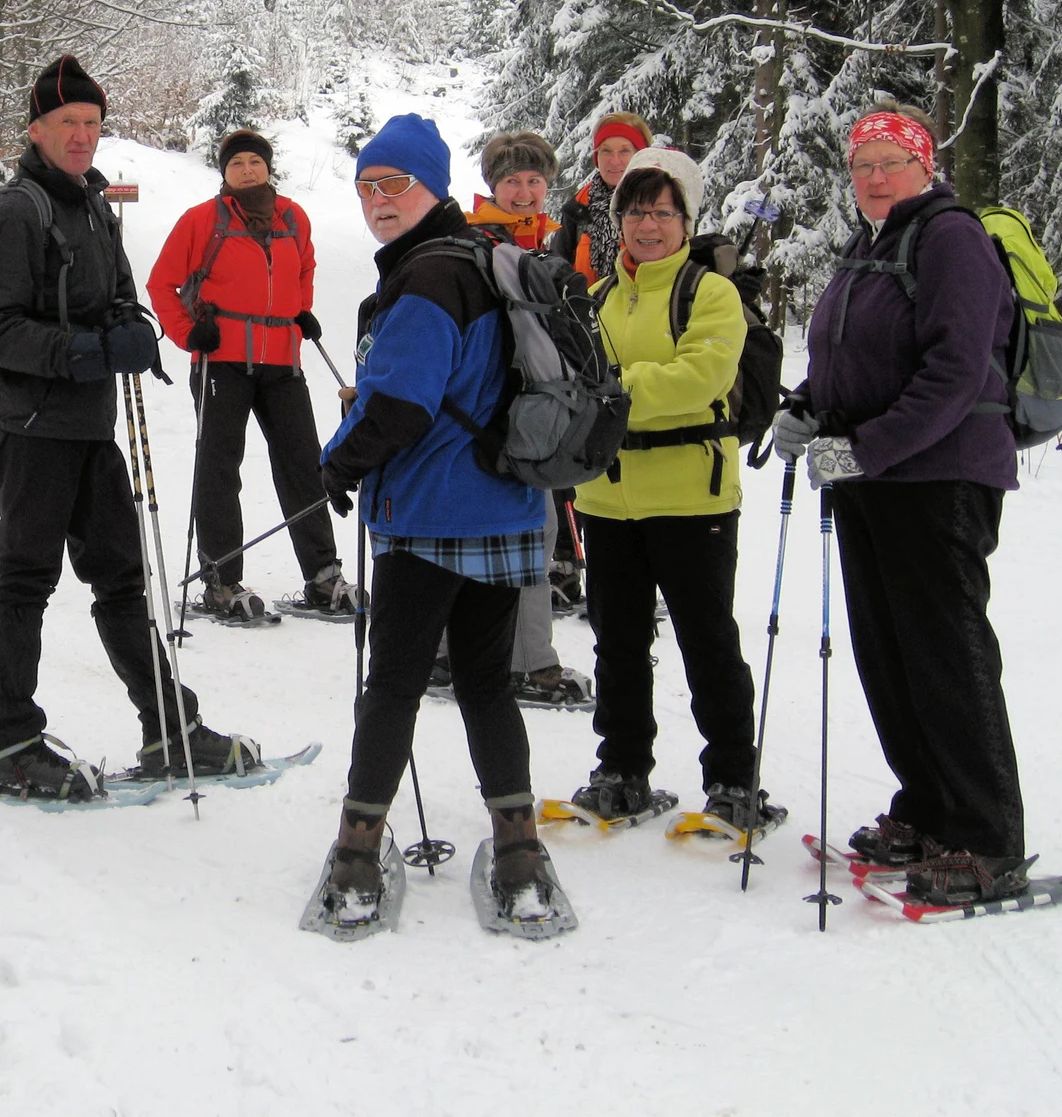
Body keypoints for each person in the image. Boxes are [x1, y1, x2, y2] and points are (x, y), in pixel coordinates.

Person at [0, 54, 258, 799]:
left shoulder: (95, 207)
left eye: (92, 123)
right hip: (33, 429)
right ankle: (10, 744)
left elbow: (122, 294)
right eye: (67, 122)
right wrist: (88, 352)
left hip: (92, 428)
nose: (81, 135)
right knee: (25, 580)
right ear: (36, 129)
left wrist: (132, 327)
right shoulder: (14, 212)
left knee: (123, 579)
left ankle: (169, 728)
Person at [772, 100, 1029, 904]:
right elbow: (849, 357)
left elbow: (954, 373)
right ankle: (927, 810)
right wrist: (807, 405)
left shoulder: (951, 238)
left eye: (892, 163)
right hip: (872, 481)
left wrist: (864, 448)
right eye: (863, 165)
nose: (876, 178)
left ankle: (988, 840)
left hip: (939, 479)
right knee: (890, 656)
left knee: (947, 657)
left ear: (925, 166)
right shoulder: (869, 244)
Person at [315, 114, 566, 931]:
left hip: (428, 514)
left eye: (396, 184)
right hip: (505, 507)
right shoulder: (484, 259)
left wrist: (337, 464)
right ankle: (517, 844)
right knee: (487, 684)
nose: (379, 201)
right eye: (366, 187)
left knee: (393, 683)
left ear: (434, 187)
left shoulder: (425, 278)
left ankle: (358, 850)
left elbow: (401, 405)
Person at [569, 148, 775, 832]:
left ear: (686, 220)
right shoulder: (597, 296)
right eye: (635, 211)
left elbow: (700, 379)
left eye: (662, 212)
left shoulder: (710, 294)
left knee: (707, 642)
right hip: (606, 499)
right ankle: (622, 769)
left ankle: (734, 780)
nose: (647, 225)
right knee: (617, 644)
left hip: (693, 498)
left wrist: (610, 392)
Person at [147, 129, 357, 622]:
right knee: (220, 468)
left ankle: (323, 576)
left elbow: (304, 269)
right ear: (224, 172)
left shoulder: (293, 218)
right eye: (236, 163)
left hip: (282, 361)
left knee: (303, 463)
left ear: (267, 167)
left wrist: (300, 312)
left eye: (254, 162)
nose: (247, 170)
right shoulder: (202, 220)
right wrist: (187, 333)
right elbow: (161, 284)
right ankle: (221, 581)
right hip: (221, 362)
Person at [463, 130, 588, 707]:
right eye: (511, 180)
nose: (523, 191)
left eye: (534, 180)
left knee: (533, 528)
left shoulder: (547, 243)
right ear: (493, 185)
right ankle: (523, 660)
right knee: (519, 529)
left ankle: (506, 655)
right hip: (492, 408)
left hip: (536, 408)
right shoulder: (477, 239)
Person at [550, 111, 652, 286]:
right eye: (606, 151)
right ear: (597, 156)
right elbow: (557, 275)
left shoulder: (660, 206)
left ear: (640, 155)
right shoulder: (578, 210)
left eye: (624, 151)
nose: (614, 161)